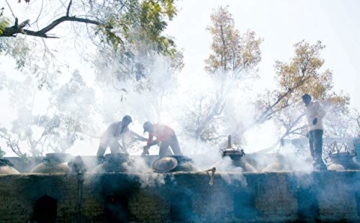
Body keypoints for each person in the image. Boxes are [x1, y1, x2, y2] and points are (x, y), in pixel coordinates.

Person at [302, 94, 327, 170]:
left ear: (309, 99)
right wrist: (307, 131)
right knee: (312, 148)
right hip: (311, 130)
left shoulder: (315, 104)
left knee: (317, 146)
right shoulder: (306, 109)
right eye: (303, 100)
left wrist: (317, 118)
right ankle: (321, 165)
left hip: (317, 128)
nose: (305, 101)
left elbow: (323, 112)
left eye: (306, 99)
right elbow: (308, 121)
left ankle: (317, 163)